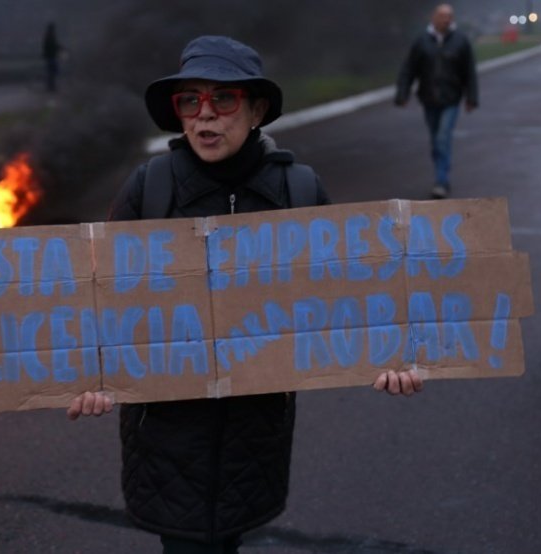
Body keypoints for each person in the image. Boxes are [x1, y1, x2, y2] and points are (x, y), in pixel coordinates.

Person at [65, 35, 424, 554]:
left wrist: (392, 356)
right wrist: (90, 376)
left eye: (223, 99)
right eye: (190, 100)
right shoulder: (150, 187)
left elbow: (347, 300)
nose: (204, 116)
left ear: (256, 110)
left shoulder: (298, 191)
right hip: (167, 435)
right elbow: (102, 302)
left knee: (229, 537)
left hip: (254, 436)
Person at [394, 3, 478, 200]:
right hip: (429, 99)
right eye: (442, 16)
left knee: (442, 137)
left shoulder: (460, 41)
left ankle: (441, 180)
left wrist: (471, 98)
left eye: (449, 16)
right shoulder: (422, 42)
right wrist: (402, 93)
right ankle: (440, 172)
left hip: (451, 99)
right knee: (435, 140)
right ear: (434, 18)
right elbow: (409, 69)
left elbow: (470, 72)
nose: (446, 20)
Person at [42, 22, 62, 92]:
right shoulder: (50, 36)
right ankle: (51, 87)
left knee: (52, 71)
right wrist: (59, 48)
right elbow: (52, 45)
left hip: (50, 56)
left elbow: (51, 45)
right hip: (51, 56)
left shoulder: (49, 35)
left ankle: (51, 86)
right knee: (53, 71)